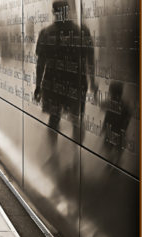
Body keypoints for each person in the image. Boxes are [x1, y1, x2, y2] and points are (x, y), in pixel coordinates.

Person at [33, 0, 96, 143]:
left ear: (54, 13)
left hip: (53, 82)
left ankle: (53, 152)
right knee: (76, 118)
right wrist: (92, 82)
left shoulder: (46, 33)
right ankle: (76, 153)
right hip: (76, 82)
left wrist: (38, 86)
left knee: (54, 119)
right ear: (68, 11)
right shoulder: (81, 32)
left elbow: (40, 63)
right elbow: (90, 59)